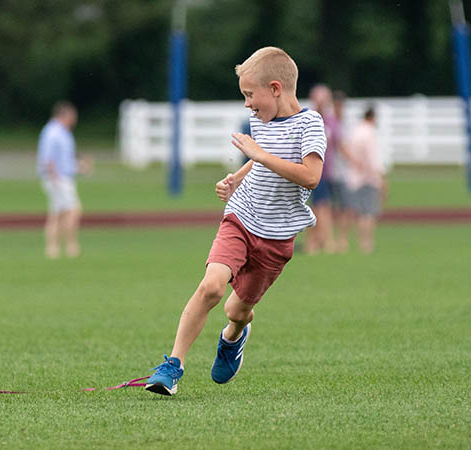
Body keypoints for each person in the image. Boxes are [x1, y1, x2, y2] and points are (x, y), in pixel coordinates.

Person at [145, 47, 326, 396]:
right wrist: (238, 177)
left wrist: (259, 155)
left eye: (249, 94)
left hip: (276, 238)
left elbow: (311, 177)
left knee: (237, 309)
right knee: (212, 286)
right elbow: (260, 158)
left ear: (275, 88)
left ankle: (233, 336)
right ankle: (172, 366)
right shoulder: (261, 120)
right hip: (241, 217)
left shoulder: (311, 123)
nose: (247, 104)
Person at [37, 101, 82, 259]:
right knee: (73, 210)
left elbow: (65, 159)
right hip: (58, 178)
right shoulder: (53, 132)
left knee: (58, 213)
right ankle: (69, 245)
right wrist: (54, 177)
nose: (74, 120)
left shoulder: (63, 132)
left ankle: (54, 248)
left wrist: (79, 166)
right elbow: (48, 158)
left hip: (62, 176)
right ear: (64, 115)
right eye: (72, 116)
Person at [344, 107, 385, 253]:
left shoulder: (355, 131)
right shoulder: (369, 133)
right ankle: (367, 244)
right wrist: (381, 178)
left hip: (354, 177)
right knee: (368, 212)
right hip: (368, 177)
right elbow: (374, 159)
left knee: (359, 212)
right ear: (372, 117)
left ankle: (357, 242)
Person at [304, 84, 338, 254]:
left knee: (320, 207)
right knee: (319, 208)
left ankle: (317, 242)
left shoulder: (330, 121)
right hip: (311, 171)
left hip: (326, 171)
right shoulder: (309, 119)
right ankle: (322, 242)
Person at [329, 91, 352, 252]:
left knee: (344, 207)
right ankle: (336, 240)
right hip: (334, 170)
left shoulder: (343, 122)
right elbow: (340, 146)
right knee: (337, 207)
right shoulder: (332, 123)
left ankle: (342, 238)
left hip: (343, 171)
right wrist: (355, 161)